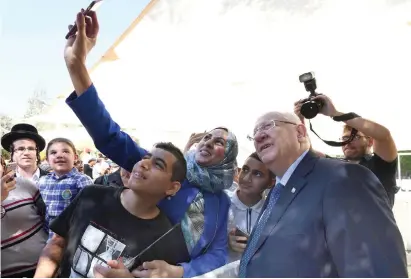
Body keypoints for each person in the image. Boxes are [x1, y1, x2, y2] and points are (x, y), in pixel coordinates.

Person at [63, 11, 238, 277]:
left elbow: (217, 254)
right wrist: (77, 65)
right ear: (172, 187)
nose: (208, 142)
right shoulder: (160, 168)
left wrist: (180, 272)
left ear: (229, 158)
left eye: (219, 142)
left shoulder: (221, 202)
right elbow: (109, 135)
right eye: (206, 136)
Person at [238, 111, 407, 277]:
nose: (259, 136)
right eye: (255, 133)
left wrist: (335, 113)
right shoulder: (278, 192)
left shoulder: (345, 178)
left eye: (268, 126)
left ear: (299, 132)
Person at [34, 142, 190, 278]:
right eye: (145, 158)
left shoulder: (168, 240)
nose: (144, 164)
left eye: (158, 164)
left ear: (172, 187)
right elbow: (57, 244)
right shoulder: (91, 195)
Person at [294, 95, 398, 207]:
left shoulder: (381, 165)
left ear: (370, 142)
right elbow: (306, 152)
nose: (348, 142)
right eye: (344, 138)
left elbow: (384, 136)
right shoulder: (337, 165)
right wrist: (299, 121)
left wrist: (335, 114)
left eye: (355, 137)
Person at [1, 123, 49, 277]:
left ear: (38, 153)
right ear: (12, 154)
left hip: (51, 259)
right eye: (20, 149)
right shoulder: (5, 184)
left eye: (30, 149)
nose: (26, 152)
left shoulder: (56, 180)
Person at [37, 137, 93, 239]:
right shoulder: (42, 181)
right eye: (53, 152)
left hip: (72, 237)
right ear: (47, 159)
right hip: (48, 237)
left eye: (66, 151)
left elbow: (90, 212)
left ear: (75, 157)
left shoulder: (81, 180)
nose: (59, 155)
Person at [227, 152, 275, 263]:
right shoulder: (221, 202)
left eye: (257, 174)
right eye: (245, 169)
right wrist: (224, 242)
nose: (247, 178)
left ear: (270, 183)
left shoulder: (272, 215)